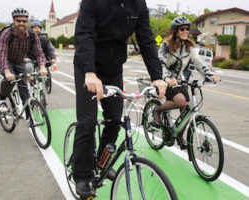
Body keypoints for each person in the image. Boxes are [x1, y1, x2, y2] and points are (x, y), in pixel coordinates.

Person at [72, 0, 168, 196]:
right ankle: (82, 175)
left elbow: (147, 40)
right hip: (87, 67)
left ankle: (101, 161)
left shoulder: (138, 5)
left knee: (115, 122)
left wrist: (157, 77)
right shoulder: (92, 2)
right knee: (87, 123)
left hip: (113, 68)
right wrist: (89, 72)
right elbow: (85, 35)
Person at [155, 16, 220, 147]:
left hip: (180, 81)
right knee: (180, 101)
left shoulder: (190, 47)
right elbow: (160, 63)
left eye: (187, 29)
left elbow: (198, 62)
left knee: (188, 107)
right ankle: (157, 110)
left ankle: (179, 134)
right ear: (175, 31)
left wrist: (209, 75)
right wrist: (167, 78)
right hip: (165, 81)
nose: (186, 31)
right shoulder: (165, 46)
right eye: (182, 29)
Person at [0, 8, 47, 122]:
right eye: (19, 21)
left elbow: (39, 52)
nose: (22, 23)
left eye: (24, 21)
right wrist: (7, 71)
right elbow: (2, 53)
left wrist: (42, 66)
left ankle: (29, 117)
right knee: (10, 78)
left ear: (27, 22)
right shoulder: (7, 33)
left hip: (19, 61)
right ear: (14, 21)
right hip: (6, 59)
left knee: (24, 89)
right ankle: (2, 99)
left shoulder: (32, 35)